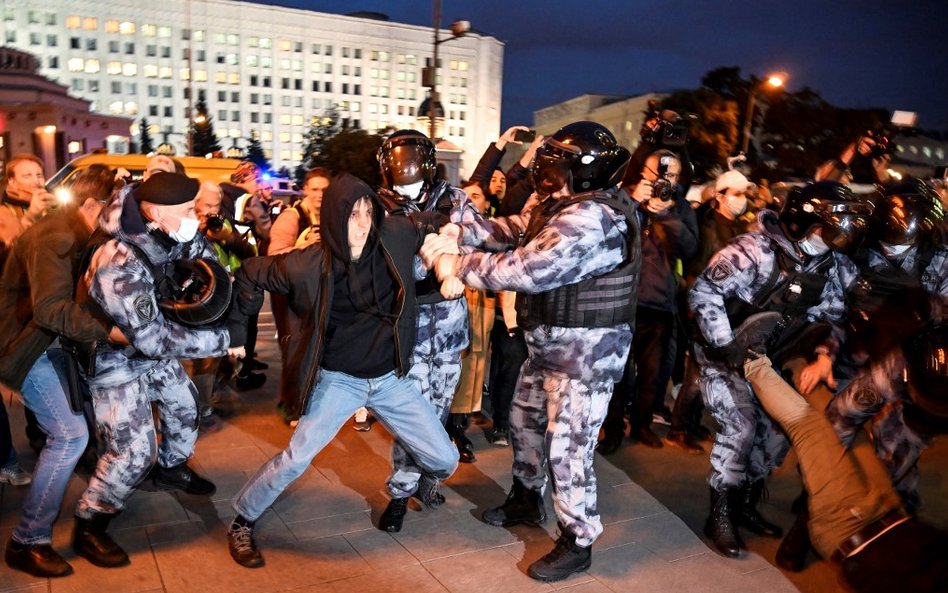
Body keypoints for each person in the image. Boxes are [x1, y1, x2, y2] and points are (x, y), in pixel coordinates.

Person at [427, 121, 640, 582]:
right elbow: (519, 229)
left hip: (586, 355)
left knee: (569, 449)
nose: (547, 168)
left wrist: (455, 264)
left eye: (558, 161)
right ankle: (527, 498)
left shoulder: (594, 218)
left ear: (581, 171)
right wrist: (464, 229)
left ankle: (578, 538)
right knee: (524, 425)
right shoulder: (561, 203)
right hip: (547, 345)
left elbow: (529, 267)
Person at [224, 173, 459, 568]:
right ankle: (242, 519)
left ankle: (415, 486)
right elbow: (249, 271)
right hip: (339, 382)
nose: (362, 224)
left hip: (390, 380)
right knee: (297, 458)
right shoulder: (304, 265)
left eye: (368, 213)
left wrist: (448, 238)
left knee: (445, 461)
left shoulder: (395, 235)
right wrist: (237, 333)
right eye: (352, 215)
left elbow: (435, 219)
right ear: (333, 217)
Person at [689, 181, 869, 558]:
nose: (840, 234)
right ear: (804, 221)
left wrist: (823, 354)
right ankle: (720, 515)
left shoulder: (830, 266)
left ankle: (745, 503)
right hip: (723, 355)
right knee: (741, 426)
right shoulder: (752, 251)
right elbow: (704, 293)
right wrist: (727, 345)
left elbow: (832, 319)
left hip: (769, 360)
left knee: (775, 435)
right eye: (832, 225)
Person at [73, 171, 240, 568]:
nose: (194, 217)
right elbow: (152, 340)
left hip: (148, 350)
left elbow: (201, 253)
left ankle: (171, 469)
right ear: (154, 212)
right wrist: (222, 343)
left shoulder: (166, 230)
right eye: (187, 210)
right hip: (114, 360)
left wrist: (219, 278)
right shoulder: (118, 262)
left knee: (185, 407)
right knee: (132, 452)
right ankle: (91, 521)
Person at [742, 322, 948, 593]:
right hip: (892, 511)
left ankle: (748, 358)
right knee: (852, 433)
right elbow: (846, 415)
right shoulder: (900, 367)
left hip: (849, 527)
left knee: (811, 430)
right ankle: (796, 360)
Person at [0, 165, 125, 577]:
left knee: (82, 428)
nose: (121, 218)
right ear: (93, 205)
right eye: (116, 208)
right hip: (24, 347)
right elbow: (50, 309)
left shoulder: (79, 232)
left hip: (45, 342)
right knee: (70, 435)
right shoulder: (54, 235)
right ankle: (27, 540)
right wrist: (111, 332)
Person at [374, 129, 482, 530]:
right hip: (410, 329)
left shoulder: (454, 199)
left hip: (449, 328)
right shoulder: (380, 206)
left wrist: (454, 241)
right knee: (412, 419)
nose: (407, 169)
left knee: (437, 413)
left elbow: (476, 237)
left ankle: (430, 481)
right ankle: (400, 492)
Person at [599, 149, 697, 453]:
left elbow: (689, 249)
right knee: (618, 373)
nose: (665, 179)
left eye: (673, 174)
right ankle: (612, 428)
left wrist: (665, 215)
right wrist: (633, 203)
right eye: (661, 172)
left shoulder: (678, 206)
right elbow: (603, 234)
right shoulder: (624, 196)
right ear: (645, 171)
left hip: (659, 303)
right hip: (623, 300)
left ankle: (641, 425)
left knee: (651, 375)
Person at [666, 168, 758, 454]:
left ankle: (690, 423)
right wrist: (698, 307)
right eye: (737, 193)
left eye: (745, 194)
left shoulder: (735, 226)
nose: (743, 199)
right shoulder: (708, 225)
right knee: (696, 372)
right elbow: (698, 267)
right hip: (705, 308)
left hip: (725, 308)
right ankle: (678, 428)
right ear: (720, 196)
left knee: (706, 371)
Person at [0, 153, 57, 487]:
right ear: (10, 182)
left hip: (36, 310)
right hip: (7, 313)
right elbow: (7, 259)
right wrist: (31, 219)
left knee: (38, 374)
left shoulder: (50, 210)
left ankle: (41, 435)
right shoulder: (5, 215)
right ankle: (6, 459)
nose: (37, 181)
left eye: (39, 174)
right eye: (27, 175)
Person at [268, 167, 330, 425]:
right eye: (314, 189)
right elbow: (273, 256)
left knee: (319, 351)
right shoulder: (292, 217)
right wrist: (303, 246)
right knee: (295, 350)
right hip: (290, 295)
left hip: (320, 290)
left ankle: (314, 404)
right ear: (305, 189)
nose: (319, 195)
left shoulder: (330, 216)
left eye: (324, 190)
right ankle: (292, 407)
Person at [447, 181, 496, 462]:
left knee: (476, 368)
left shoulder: (491, 232)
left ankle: (459, 426)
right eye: (467, 196)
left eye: (476, 196)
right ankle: (447, 430)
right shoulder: (451, 229)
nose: (471, 201)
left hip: (482, 307)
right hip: (456, 306)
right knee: (457, 368)